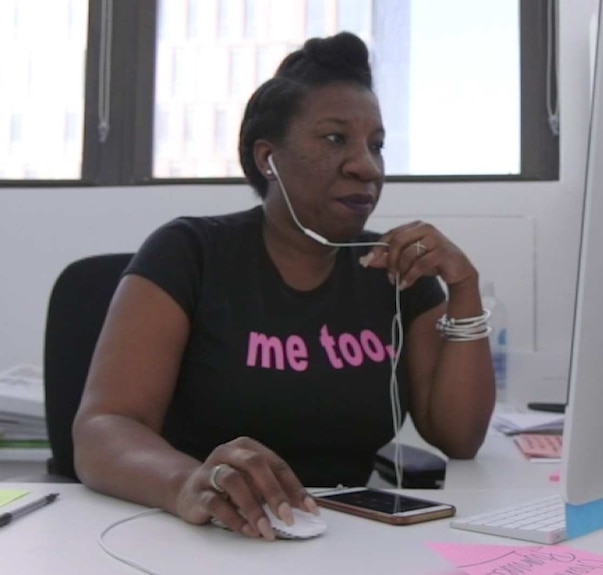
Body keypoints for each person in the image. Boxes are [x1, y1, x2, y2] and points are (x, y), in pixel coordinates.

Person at [72, 31, 495, 541]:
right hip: (204, 537)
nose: (367, 166)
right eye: (336, 138)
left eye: (376, 145)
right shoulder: (190, 253)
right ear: (267, 158)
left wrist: (464, 287)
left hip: (347, 544)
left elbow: (460, 437)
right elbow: (102, 429)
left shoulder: (394, 271)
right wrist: (185, 482)